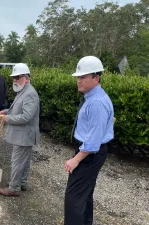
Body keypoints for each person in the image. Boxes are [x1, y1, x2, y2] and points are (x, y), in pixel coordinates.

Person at [64, 56, 114, 225]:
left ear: (96, 78)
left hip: (90, 153)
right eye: (78, 77)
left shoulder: (97, 103)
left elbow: (93, 141)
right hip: (92, 151)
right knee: (84, 195)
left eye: (83, 77)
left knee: (74, 199)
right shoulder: (93, 97)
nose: (79, 80)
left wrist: (75, 160)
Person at [0, 63, 40, 197]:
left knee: (17, 161)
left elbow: (26, 116)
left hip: (24, 135)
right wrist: (6, 111)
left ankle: (14, 188)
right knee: (24, 161)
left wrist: (6, 118)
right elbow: (18, 109)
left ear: (27, 78)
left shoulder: (30, 94)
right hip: (23, 135)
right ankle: (22, 183)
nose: (15, 80)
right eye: (13, 77)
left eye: (18, 77)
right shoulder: (23, 90)